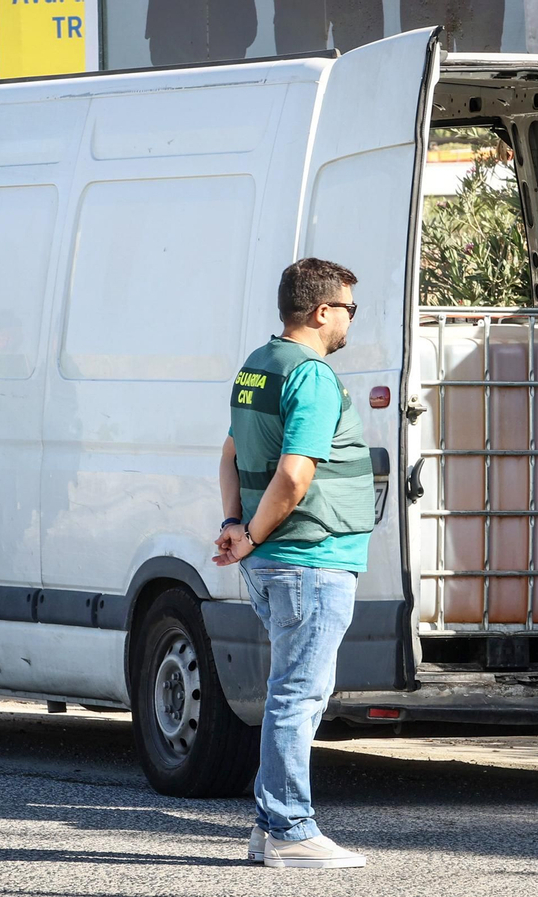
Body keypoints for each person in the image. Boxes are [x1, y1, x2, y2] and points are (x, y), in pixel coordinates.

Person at [214, 258, 375, 869]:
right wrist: (250, 535)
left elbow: (229, 455)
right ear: (321, 311)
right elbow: (294, 474)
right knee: (297, 696)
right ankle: (290, 830)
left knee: (296, 691)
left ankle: (268, 827)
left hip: (278, 560)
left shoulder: (258, 365)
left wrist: (235, 525)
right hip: (310, 557)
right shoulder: (311, 376)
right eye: (348, 309)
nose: (350, 320)